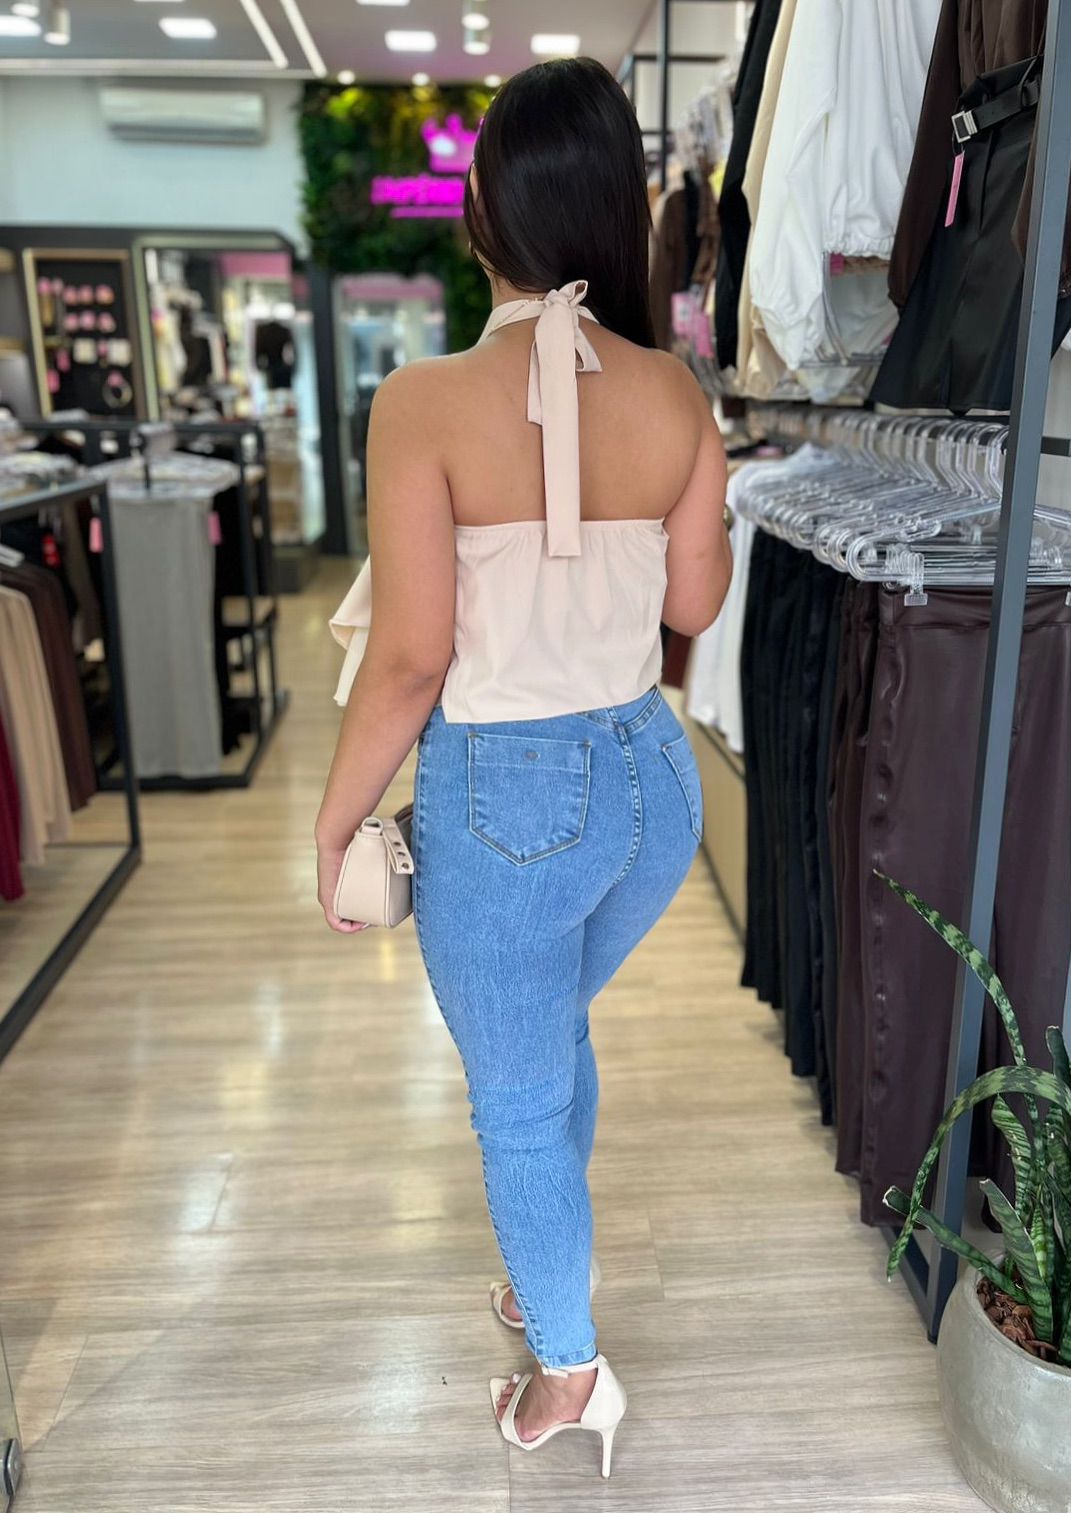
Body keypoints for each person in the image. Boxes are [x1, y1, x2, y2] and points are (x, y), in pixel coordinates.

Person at [315, 56, 731, 1478]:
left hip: (509, 803)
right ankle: (547, 1271)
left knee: (516, 1095)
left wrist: (335, 821)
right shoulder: (677, 394)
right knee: (550, 1043)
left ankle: (569, 1370)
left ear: (483, 210)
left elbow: (411, 657)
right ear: (617, 207)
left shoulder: (423, 402)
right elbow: (694, 608)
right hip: (649, 788)